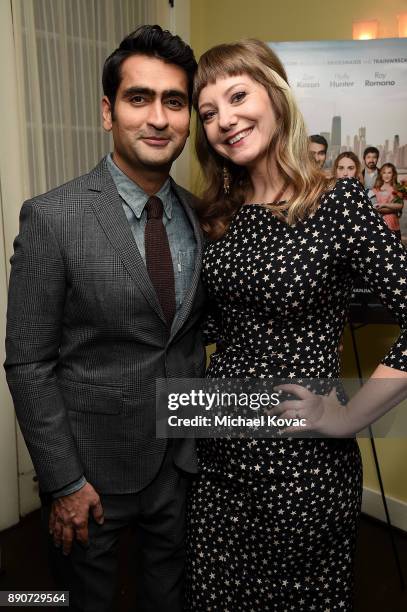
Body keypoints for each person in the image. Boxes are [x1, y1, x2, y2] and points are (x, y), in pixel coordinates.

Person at [185, 38, 407, 611]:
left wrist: (348, 417)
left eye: (238, 96)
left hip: (299, 466)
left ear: (276, 97)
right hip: (218, 458)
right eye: (208, 112)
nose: (224, 120)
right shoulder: (219, 213)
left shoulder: (337, 204)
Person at [4, 25, 206, 612]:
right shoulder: (53, 217)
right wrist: (64, 481)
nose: (158, 118)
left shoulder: (203, 218)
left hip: (181, 463)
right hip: (90, 473)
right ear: (107, 111)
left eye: (174, 101)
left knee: (170, 597)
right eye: (138, 98)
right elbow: (29, 362)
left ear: (188, 119)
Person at [370, 163, 404, 240]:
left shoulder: (397, 189)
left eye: (389, 172)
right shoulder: (375, 190)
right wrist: (392, 207)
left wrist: (383, 204)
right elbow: (374, 208)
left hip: (393, 226)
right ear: (381, 174)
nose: (386, 175)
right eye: (384, 172)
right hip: (378, 226)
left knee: (395, 250)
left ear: (393, 174)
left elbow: (400, 206)